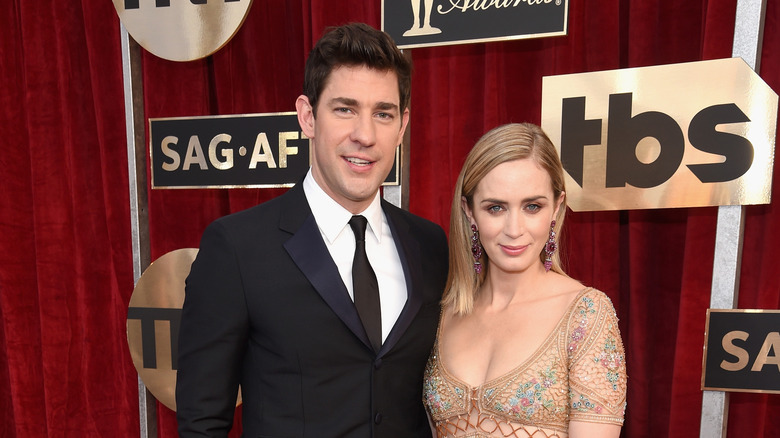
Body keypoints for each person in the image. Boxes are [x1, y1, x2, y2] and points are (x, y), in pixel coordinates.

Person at [176, 23, 449, 437]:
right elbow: (202, 422)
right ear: (308, 117)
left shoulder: (430, 245)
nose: (365, 135)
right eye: (345, 109)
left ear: (403, 125)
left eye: (383, 113)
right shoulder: (237, 248)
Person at [423, 123, 627, 437]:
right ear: (469, 212)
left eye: (532, 207)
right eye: (495, 208)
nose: (514, 229)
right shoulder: (444, 310)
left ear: (556, 208)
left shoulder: (586, 314)